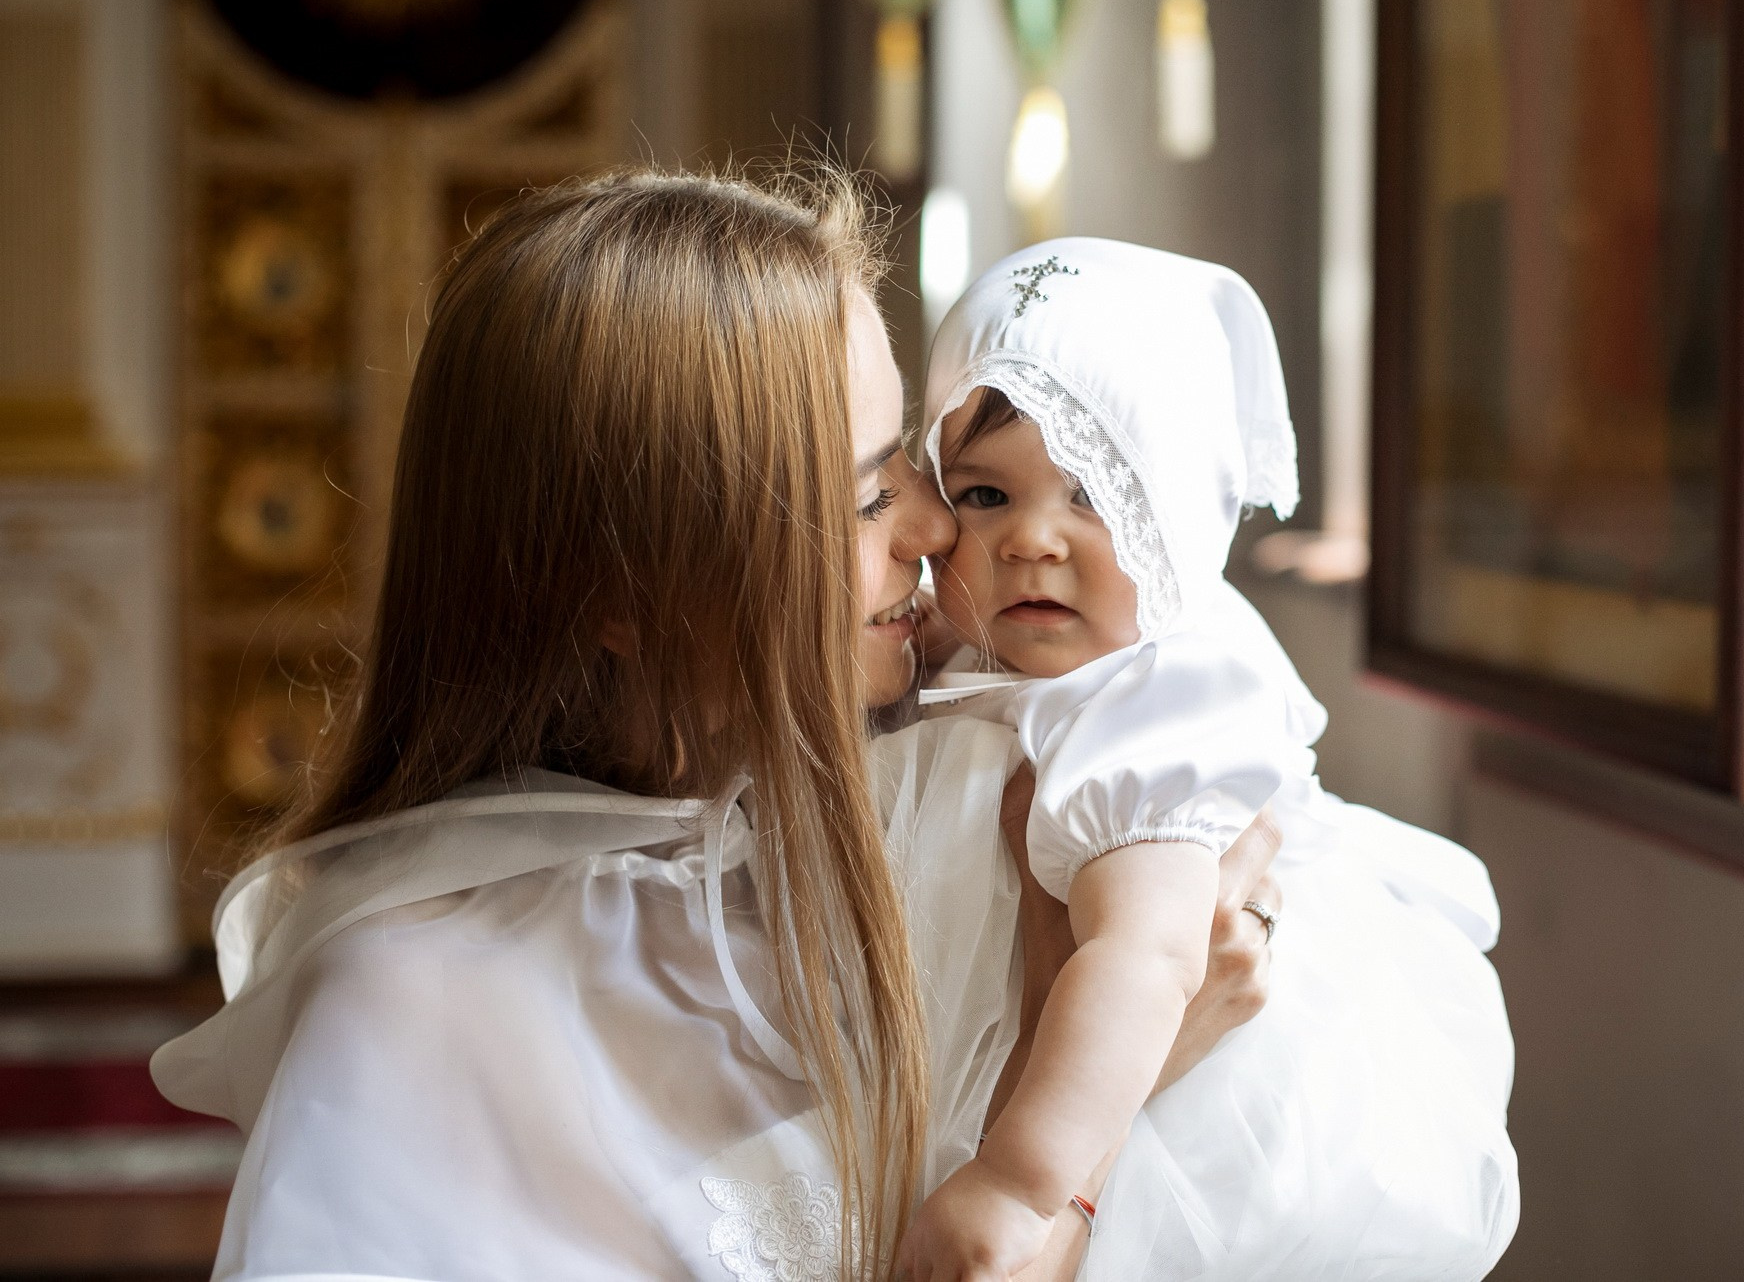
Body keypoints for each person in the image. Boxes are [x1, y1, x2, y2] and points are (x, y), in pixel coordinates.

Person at [151, 170, 1282, 1282]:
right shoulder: (418, 1008)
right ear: (622, 587)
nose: (938, 528)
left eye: (913, 465)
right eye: (866, 497)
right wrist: (1111, 1098)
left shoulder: (895, 800)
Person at [901, 238, 1518, 1281]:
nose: (1031, 540)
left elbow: (1147, 956)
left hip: (1139, 1102)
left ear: (1180, 515)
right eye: (984, 495)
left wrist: (1014, 1180)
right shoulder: (992, 648)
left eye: (1094, 493)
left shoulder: (1151, 703)